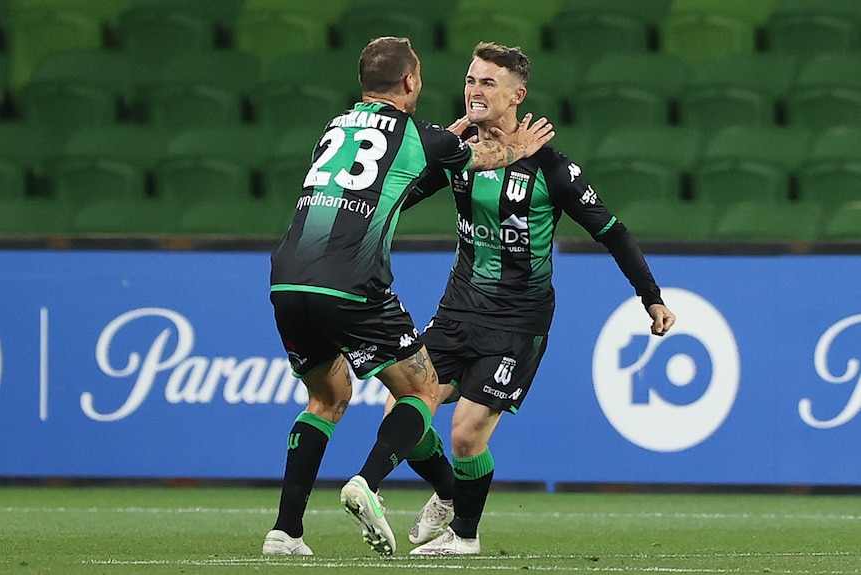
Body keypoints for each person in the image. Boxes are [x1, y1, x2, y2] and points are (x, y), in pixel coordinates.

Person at [261, 36, 555, 558]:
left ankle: (286, 533)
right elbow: (488, 155)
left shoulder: (335, 127)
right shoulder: (417, 135)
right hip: (350, 280)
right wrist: (518, 149)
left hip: (287, 276)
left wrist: (448, 142)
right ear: (411, 82)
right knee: (421, 390)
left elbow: (388, 180)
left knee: (326, 398)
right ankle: (367, 484)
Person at [389, 41, 677, 555]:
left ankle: (465, 537)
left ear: (517, 95)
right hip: (457, 310)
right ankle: (448, 493)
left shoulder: (552, 168)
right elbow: (399, 197)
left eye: (487, 83)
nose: (474, 91)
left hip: (518, 322)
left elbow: (612, 231)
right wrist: (437, 152)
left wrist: (650, 297)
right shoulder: (457, 155)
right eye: (470, 80)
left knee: (464, 434)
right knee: (400, 411)